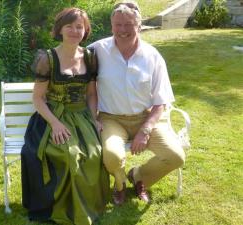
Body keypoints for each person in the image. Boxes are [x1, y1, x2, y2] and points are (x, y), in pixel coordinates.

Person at [88, 1, 185, 205]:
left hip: (146, 117)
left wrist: (146, 129)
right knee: (112, 156)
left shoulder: (152, 56)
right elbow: (73, 63)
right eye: (118, 25)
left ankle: (139, 176)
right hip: (111, 119)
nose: (123, 30)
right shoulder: (97, 50)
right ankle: (120, 183)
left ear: (139, 26)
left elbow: (161, 101)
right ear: (111, 25)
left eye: (129, 24)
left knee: (176, 156)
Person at [21, 7, 109, 225]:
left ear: (85, 30)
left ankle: (88, 205)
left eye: (79, 26)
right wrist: (56, 124)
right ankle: (59, 209)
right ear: (59, 29)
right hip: (52, 117)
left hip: (81, 116)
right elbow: (38, 99)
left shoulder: (89, 57)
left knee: (94, 154)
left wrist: (94, 118)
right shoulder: (48, 59)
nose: (74, 30)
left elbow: (91, 94)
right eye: (69, 26)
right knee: (68, 155)